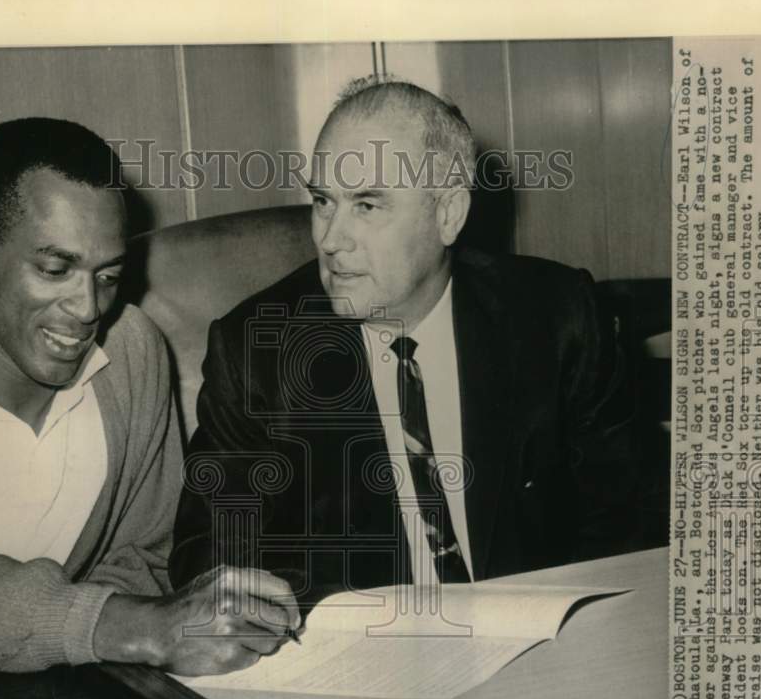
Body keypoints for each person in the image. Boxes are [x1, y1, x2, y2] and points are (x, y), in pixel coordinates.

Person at [0, 117, 298, 699]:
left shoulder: (132, 350)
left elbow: (139, 556)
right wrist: (139, 627)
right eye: (55, 270)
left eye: (107, 276)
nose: (87, 309)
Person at [171, 78, 637, 604]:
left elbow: (630, 520)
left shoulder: (555, 317)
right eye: (323, 201)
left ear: (448, 214)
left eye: (367, 206)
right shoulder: (256, 350)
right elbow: (210, 556)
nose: (330, 239)